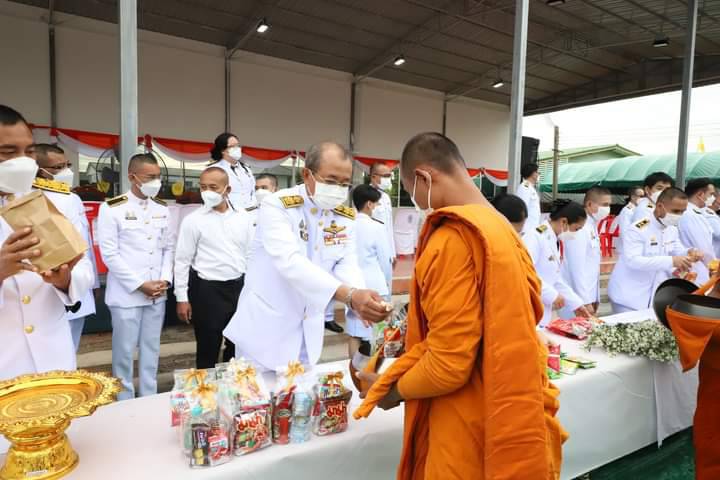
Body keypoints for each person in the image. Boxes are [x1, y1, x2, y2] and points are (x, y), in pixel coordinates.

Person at [355, 133, 566, 480]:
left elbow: (449, 363)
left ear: (424, 178)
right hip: (514, 400)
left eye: (411, 191)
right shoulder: (502, 227)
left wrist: (392, 391)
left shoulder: (453, 237)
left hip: (470, 416)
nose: (416, 200)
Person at [223, 141, 391, 371]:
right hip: (265, 330)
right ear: (307, 174)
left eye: (345, 184)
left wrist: (362, 299)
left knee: (301, 401)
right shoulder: (278, 205)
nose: (338, 189)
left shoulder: (344, 216)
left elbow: (346, 262)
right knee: (257, 400)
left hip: (308, 331)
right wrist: (350, 296)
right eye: (331, 181)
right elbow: (289, 262)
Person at [0, 105, 94, 381]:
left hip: (53, 356)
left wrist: (65, 280)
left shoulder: (58, 201)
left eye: (28, 151)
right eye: (8, 152)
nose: (23, 161)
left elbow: (83, 265)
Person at [97, 153, 176, 400]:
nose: (156, 181)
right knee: (123, 352)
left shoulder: (162, 208)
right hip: (127, 295)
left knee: (151, 349)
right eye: (150, 177)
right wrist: (139, 284)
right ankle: (124, 399)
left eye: (158, 176)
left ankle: (149, 396)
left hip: (157, 293)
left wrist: (165, 279)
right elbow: (109, 254)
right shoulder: (112, 208)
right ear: (132, 177)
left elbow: (168, 248)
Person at [174, 167, 252, 368]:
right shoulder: (193, 220)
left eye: (213, 187)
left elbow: (251, 254)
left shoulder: (243, 217)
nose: (206, 192)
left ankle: (232, 390)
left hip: (239, 288)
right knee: (208, 348)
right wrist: (182, 297)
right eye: (203, 187)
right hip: (208, 292)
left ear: (227, 189)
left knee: (238, 347)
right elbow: (182, 260)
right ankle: (206, 393)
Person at [34, 143, 99, 351]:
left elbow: (84, 243)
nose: (66, 171)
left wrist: (93, 283)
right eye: (58, 167)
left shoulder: (71, 198)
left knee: (70, 355)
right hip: (44, 293)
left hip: (77, 285)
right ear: (38, 169)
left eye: (67, 165)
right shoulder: (26, 199)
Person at [608, 188, 697, 313]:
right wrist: (672, 261)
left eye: (682, 212)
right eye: (676, 211)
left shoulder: (671, 229)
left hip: (653, 296)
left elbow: (677, 251)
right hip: (628, 297)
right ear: (660, 206)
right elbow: (633, 261)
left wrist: (690, 253)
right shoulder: (638, 229)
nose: (679, 216)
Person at [524, 199, 589, 327]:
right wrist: (552, 295)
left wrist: (576, 304)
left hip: (541, 310)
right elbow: (525, 272)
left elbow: (555, 279)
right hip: (529, 306)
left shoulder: (555, 239)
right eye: (576, 228)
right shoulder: (535, 237)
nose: (576, 234)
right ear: (564, 221)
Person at [345, 185, 393, 358]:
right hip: (376, 286)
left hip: (353, 287)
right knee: (380, 332)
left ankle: (353, 372)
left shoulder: (346, 224)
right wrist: (388, 285)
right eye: (377, 204)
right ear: (369, 205)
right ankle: (375, 371)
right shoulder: (377, 227)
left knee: (354, 332)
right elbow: (385, 260)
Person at [561, 186, 611, 316]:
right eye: (604, 204)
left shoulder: (591, 225)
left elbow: (591, 265)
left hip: (587, 295)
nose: (608, 208)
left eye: (609, 205)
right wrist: (585, 301)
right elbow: (576, 267)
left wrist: (595, 297)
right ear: (589, 204)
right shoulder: (580, 228)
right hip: (577, 301)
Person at [679, 178, 715, 284]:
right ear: (700, 194)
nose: (713, 198)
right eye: (711, 194)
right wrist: (714, 266)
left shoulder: (694, 213)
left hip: (695, 267)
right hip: (697, 269)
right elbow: (703, 247)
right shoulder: (692, 215)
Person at [209, 132, 256, 210]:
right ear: (223, 150)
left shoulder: (246, 169)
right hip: (229, 214)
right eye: (232, 146)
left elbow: (252, 191)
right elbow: (213, 195)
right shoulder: (214, 170)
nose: (237, 149)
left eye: (237, 145)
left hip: (251, 212)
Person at [368, 163, 397, 264]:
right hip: (372, 251)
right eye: (386, 176)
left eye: (389, 176)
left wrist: (392, 253)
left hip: (386, 250)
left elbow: (389, 228)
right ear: (373, 177)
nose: (388, 179)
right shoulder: (365, 196)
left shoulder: (385, 197)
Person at [615, 186, 644, 254]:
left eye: (644, 196)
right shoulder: (627, 211)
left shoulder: (639, 209)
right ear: (633, 197)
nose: (643, 199)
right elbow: (624, 231)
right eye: (641, 196)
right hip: (629, 248)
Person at [516, 162, 542, 234]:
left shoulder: (530, 187)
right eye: (537, 172)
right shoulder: (525, 187)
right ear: (532, 173)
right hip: (526, 229)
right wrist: (522, 229)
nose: (538, 174)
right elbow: (522, 208)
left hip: (532, 227)